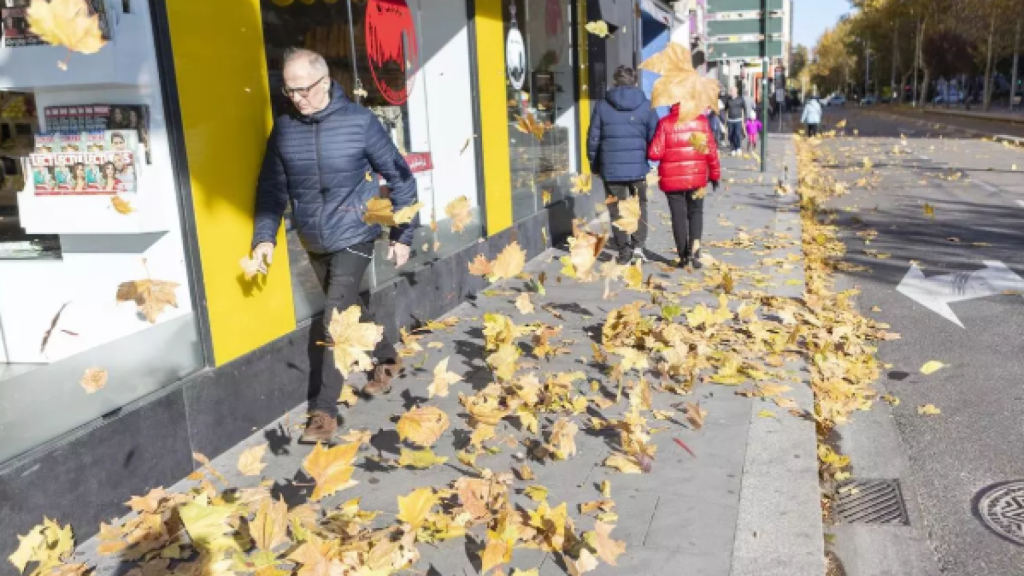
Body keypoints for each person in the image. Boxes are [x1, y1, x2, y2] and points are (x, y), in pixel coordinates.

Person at [250, 48, 419, 444]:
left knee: (335, 318)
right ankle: (388, 358)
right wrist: (263, 237)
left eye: (303, 90)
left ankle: (323, 412)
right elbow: (271, 190)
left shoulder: (360, 123)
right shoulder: (284, 128)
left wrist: (402, 234)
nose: (296, 99)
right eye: (288, 91)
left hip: (357, 232)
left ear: (325, 82)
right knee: (350, 308)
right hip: (314, 237)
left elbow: (401, 179)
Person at [586, 65, 659, 264]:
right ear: (635, 81)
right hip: (638, 167)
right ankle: (638, 246)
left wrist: (594, 164)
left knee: (616, 208)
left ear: (615, 82)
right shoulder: (646, 105)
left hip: (611, 167)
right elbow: (655, 135)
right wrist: (650, 157)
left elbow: (593, 137)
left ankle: (623, 251)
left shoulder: (602, 105)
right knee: (640, 205)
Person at [648, 103, 721, 269]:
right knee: (696, 213)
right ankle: (695, 254)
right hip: (697, 177)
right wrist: (715, 175)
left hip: (672, 179)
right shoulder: (701, 121)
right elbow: (711, 151)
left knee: (678, 216)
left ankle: (683, 256)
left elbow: (654, 153)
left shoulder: (665, 123)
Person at [723, 87, 746, 156]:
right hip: (730, 120)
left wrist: (745, 119)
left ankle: (738, 148)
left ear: (736, 91)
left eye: (733, 91)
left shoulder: (740, 99)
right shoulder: (728, 100)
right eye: (731, 91)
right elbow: (725, 109)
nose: (732, 92)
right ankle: (732, 149)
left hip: (738, 120)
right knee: (730, 135)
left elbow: (744, 108)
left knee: (737, 135)